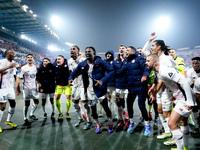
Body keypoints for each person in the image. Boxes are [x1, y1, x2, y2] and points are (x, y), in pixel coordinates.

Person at [146, 54, 195, 150]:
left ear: (155, 62)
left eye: (148, 61)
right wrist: (175, 95)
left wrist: (189, 101)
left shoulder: (164, 71)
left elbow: (184, 81)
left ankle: (180, 148)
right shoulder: (160, 72)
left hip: (184, 98)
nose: (146, 63)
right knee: (183, 121)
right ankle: (185, 147)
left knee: (172, 123)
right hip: (180, 97)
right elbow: (175, 84)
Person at [69, 46, 114, 133]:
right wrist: (70, 79)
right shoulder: (83, 64)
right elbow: (74, 73)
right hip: (89, 91)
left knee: (105, 107)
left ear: (94, 53)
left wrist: (102, 81)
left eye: (89, 51)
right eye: (86, 52)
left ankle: (110, 123)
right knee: (93, 110)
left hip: (100, 89)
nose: (87, 53)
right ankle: (98, 124)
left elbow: (111, 71)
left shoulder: (100, 62)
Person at [146, 33, 178, 141]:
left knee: (166, 112)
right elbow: (157, 76)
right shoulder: (157, 58)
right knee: (159, 110)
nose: (151, 47)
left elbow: (164, 79)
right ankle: (167, 131)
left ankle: (174, 136)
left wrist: (154, 92)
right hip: (159, 88)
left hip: (167, 89)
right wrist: (153, 86)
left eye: (153, 45)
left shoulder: (166, 59)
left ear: (159, 47)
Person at [116, 46, 150, 136]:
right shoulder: (126, 61)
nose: (126, 51)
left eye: (127, 50)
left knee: (141, 106)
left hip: (141, 86)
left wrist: (145, 76)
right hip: (131, 87)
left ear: (133, 51)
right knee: (129, 105)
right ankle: (131, 122)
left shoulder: (139, 58)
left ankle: (147, 125)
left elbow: (146, 68)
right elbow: (120, 72)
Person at [68, 45, 89, 128]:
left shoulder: (83, 60)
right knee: (75, 103)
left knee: (84, 103)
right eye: (71, 49)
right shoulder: (69, 61)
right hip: (75, 85)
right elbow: (70, 72)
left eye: (74, 49)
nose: (72, 50)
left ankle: (88, 120)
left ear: (78, 51)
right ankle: (80, 118)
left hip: (83, 85)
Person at [16, 54, 39, 125]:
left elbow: (37, 77)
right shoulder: (24, 68)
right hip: (26, 88)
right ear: (26, 59)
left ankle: (31, 114)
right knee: (27, 104)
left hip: (34, 88)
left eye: (31, 57)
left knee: (36, 102)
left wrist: (40, 84)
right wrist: (18, 88)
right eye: (28, 57)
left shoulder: (35, 67)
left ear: (33, 59)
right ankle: (25, 118)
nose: (29, 58)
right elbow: (18, 77)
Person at [0, 49, 18, 133]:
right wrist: (8, 67)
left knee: (13, 103)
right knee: (3, 106)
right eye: (11, 52)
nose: (13, 53)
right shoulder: (2, 62)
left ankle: (8, 120)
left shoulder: (14, 63)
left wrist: (17, 87)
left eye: (14, 52)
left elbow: (14, 75)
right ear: (7, 54)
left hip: (10, 87)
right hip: (2, 87)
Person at [113, 45, 129, 131]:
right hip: (118, 85)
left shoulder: (129, 60)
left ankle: (129, 120)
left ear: (126, 50)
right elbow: (113, 73)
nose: (121, 49)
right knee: (118, 103)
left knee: (128, 103)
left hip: (127, 86)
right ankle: (121, 120)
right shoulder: (115, 62)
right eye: (120, 48)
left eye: (123, 48)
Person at [53, 55, 71, 120]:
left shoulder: (68, 64)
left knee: (68, 98)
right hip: (58, 84)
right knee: (57, 98)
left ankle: (67, 112)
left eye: (59, 59)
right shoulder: (54, 65)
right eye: (57, 59)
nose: (58, 60)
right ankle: (60, 113)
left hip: (67, 85)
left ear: (63, 60)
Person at [186, 57, 200, 133]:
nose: (194, 65)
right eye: (193, 63)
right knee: (195, 110)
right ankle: (197, 127)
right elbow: (188, 85)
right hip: (195, 94)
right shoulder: (190, 72)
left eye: (197, 63)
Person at [103, 50, 118, 120]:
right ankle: (109, 113)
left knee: (115, 99)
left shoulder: (114, 63)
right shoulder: (104, 63)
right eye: (107, 54)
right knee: (108, 100)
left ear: (112, 55)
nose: (108, 55)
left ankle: (116, 114)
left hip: (114, 84)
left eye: (109, 54)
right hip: (107, 84)